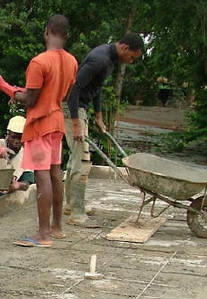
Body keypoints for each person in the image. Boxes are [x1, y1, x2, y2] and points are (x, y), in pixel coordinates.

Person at [0, 14, 77, 247]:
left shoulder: (39, 62)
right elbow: (62, 95)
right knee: (55, 173)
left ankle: (43, 234)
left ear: (46, 32)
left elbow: (30, 99)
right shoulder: (71, 62)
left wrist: (5, 87)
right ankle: (57, 228)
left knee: (42, 176)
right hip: (57, 122)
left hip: (40, 124)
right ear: (65, 35)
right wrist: (20, 91)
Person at [63, 32, 144, 227]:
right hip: (72, 110)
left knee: (75, 159)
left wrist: (98, 116)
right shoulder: (99, 60)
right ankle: (77, 214)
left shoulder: (109, 60)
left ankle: (71, 205)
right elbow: (73, 90)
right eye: (132, 57)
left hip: (81, 109)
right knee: (82, 161)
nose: (131, 62)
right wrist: (75, 122)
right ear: (125, 48)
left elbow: (96, 88)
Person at [0, 115, 34, 203]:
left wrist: (17, 186)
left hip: (8, 198)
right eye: (13, 137)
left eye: (20, 137)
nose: (16, 141)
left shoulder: (26, 155)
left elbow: (27, 182)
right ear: (7, 134)